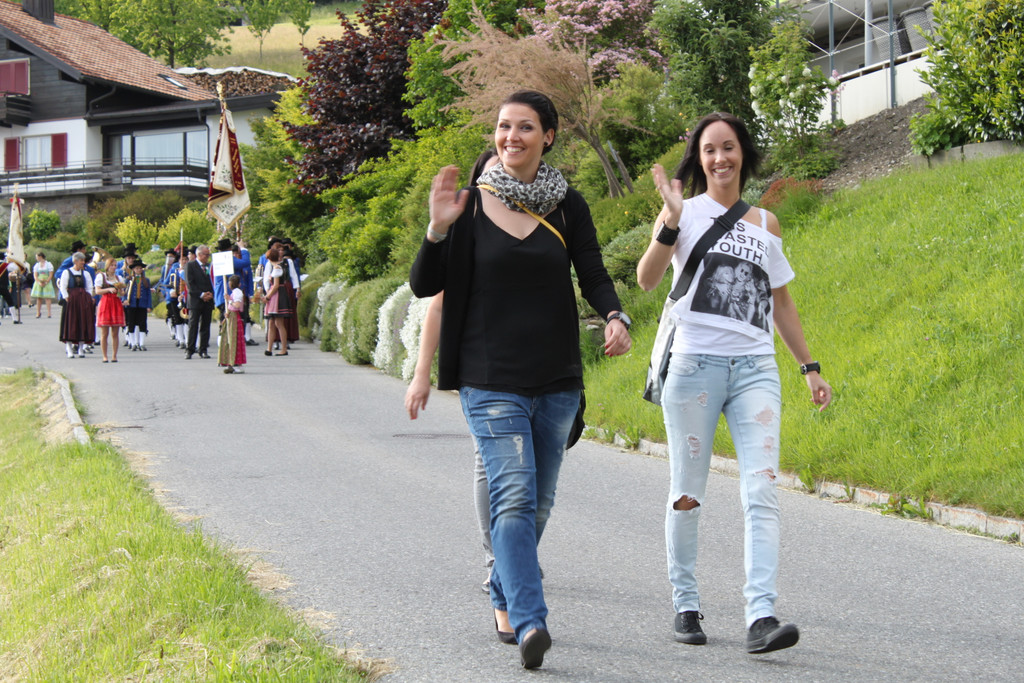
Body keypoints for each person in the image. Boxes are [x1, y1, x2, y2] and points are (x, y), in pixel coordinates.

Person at [409, 90, 632, 670]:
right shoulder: (468, 206)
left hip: (557, 377)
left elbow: (592, 272)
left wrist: (615, 315)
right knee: (513, 494)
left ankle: (502, 589)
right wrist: (436, 230)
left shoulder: (568, 205)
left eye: (525, 127)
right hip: (490, 378)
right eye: (504, 126)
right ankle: (531, 619)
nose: (512, 136)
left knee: (539, 504)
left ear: (548, 136)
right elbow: (425, 287)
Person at [636, 111, 833, 654]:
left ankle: (761, 616)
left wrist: (809, 366)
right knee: (687, 493)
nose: (719, 157)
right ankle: (686, 603)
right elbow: (647, 280)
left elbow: (780, 302)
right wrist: (670, 220)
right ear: (699, 160)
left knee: (762, 489)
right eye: (709, 150)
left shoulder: (766, 223)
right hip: (694, 367)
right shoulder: (682, 212)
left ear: (742, 152)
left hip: (755, 370)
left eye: (728, 147)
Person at [405, 149, 510, 593]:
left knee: (531, 476)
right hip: (480, 368)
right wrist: (421, 374)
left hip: (533, 366)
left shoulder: (538, 221)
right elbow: (435, 305)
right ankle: (497, 560)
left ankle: (516, 552)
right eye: (489, 175)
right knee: (489, 464)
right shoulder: (465, 230)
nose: (498, 180)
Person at [57, 251, 96, 358]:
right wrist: (66, 297)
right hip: (71, 301)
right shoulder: (67, 272)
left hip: (82, 300)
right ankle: (69, 348)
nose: (83, 262)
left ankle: (81, 348)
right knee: (71, 323)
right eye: (81, 260)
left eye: (83, 260)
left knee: (82, 322)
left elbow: (89, 287)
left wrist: (88, 298)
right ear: (75, 261)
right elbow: (63, 286)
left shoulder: (86, 274)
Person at [261, 243, 294, 357]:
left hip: (278, 295)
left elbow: (275, 285)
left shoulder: (277, 268)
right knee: (272, 322)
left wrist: (267, 296)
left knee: (279, 322)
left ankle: (283, 348)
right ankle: (269, 348)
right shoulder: (278, 266)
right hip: (276, 294)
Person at [185, 244, 215, 359]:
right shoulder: (190, 265)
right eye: (206, 255)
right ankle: (190, 349)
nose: (208, 257)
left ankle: (203, 349)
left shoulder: (209, 266)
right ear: (199, 254)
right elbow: (190, 284)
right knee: (193, 325)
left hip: (208, 300)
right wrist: (201, 295)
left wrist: (210, 294)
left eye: (208, 255)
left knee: (205, 326)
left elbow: (213, 281)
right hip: (195, 300)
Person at [94, 257, 125, 362]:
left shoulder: (118, 278)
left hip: (116, 303)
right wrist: (108, 289)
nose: (114, 267)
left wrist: (121, 290)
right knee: (104, 333)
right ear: (107, 266)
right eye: (112, 265)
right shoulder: (101, 276)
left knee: (115, 333)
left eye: (115, 265)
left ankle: (114, 355)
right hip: (106, 303)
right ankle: (105, 356)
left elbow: (122, 293)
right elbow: (97, 291)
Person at [219, 274, 247, 374]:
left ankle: (237, 365)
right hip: (231, 316)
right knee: (229, 340)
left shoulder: (237, 292)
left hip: (235, 318)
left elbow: (237, 305)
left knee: (234, 340)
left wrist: (229, 301)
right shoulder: (234, 292)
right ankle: (230, 363)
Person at [123, 260, 152, 351]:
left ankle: (141, 343)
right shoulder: (129, 280)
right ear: (133, 270)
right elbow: (124, 292)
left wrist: (149, 305)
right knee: (131, 323)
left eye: (140, 268)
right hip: (131, 304)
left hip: (142, 304)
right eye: (137, 268)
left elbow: (148, 294)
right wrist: (124, 300)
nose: (139, 270)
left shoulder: (146, 280)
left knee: (142, 323)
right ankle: (133, 343)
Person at [31, 252, 56, 318]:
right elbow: (35, 275)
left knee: (47, 298)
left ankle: (49, 313)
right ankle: (38, 312)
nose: (36, 258)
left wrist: (46, 282)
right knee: (39, 298)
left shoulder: (49, 264)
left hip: (46, 281)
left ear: (40, 256)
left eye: (37, 257)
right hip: (39, 281)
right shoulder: (37, 265)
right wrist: (39, 282)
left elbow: (50, 275)